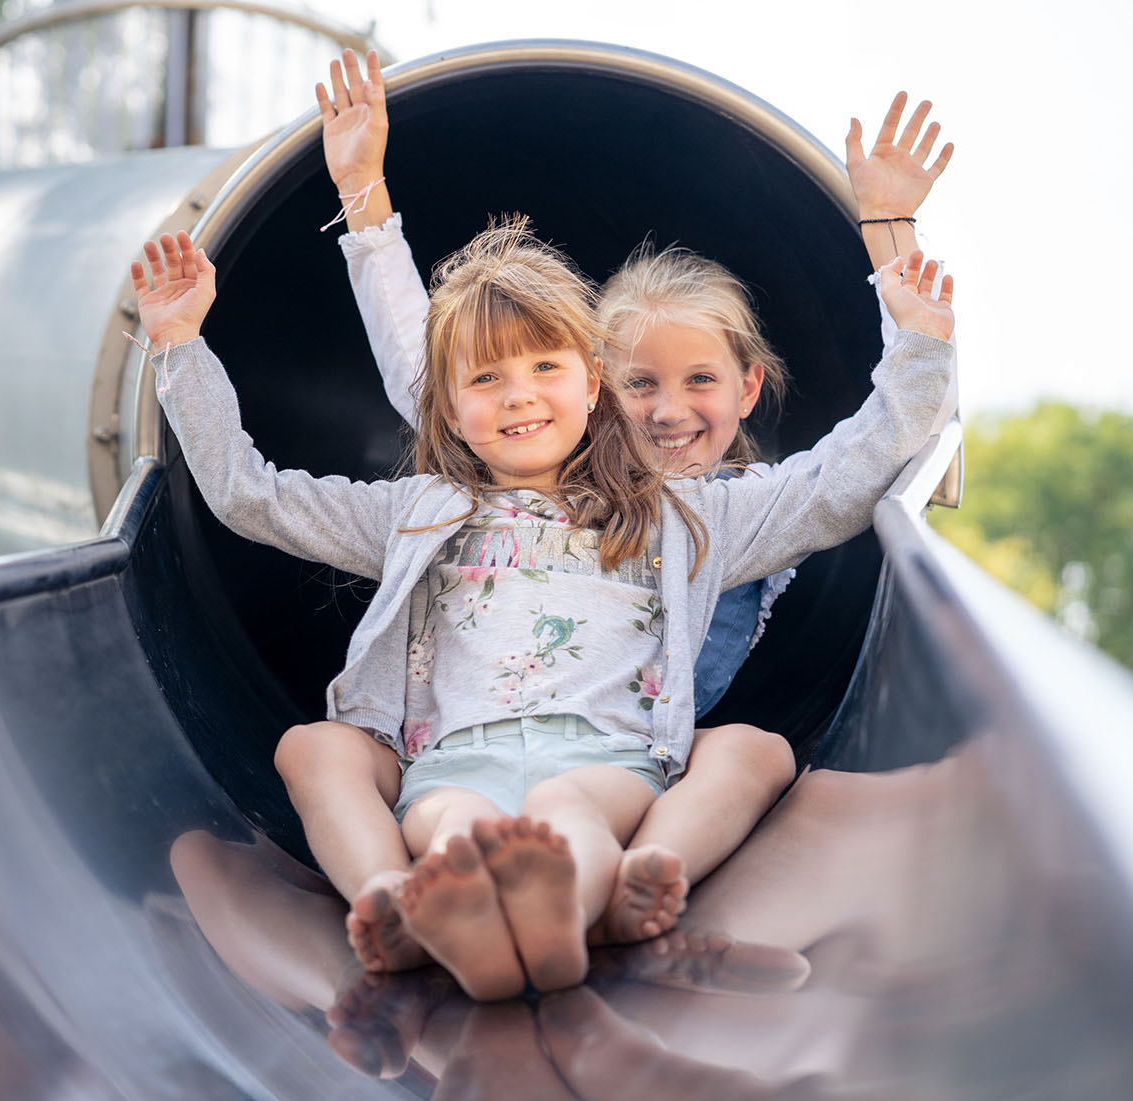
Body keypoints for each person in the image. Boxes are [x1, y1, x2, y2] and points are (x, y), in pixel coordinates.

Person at [128, 213, 954, 999]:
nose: (518, 395)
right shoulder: (417, 511)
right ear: (449, 408)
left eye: (543, 368)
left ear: (593, 384)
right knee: (327, 756)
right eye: (486, 378)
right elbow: (252, 497)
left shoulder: (686, 517)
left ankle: (631, 887)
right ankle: (395, 902)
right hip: (450, 767)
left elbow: (837, 480)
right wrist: (180, 346)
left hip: (607, 764)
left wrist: (917, 345)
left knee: (665, 779)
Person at [276, 47, 958, 973]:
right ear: (594, 390)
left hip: (629, 755)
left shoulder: (722, 514)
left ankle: (635, 881)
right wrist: (363, 198)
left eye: (699, 381)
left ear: (749, 387)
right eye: (638, 383)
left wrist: (895, 252)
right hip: (493, 738)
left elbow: (859, 461)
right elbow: (425, 368)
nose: (669, 409)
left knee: (750, 751)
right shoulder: (534, 480)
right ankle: (551, 898)